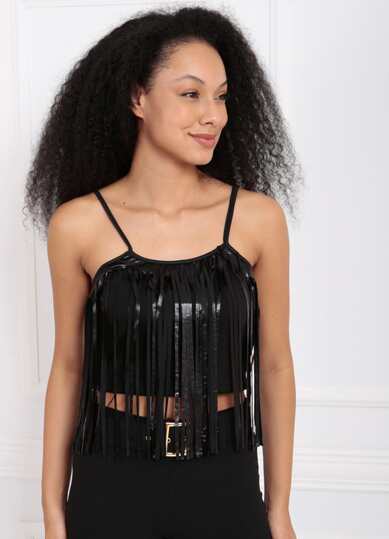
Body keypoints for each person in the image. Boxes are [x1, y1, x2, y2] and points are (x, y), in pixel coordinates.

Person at [23, 6, 303, 539]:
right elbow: (68, 369)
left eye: (221, 96)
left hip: (224, 477)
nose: (213, 115)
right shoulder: (78, 225)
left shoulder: (257, 219)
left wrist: (279, 507)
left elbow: (274, 367)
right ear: (138, 98)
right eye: (191, 94)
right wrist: (53, 512)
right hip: (112, 479)